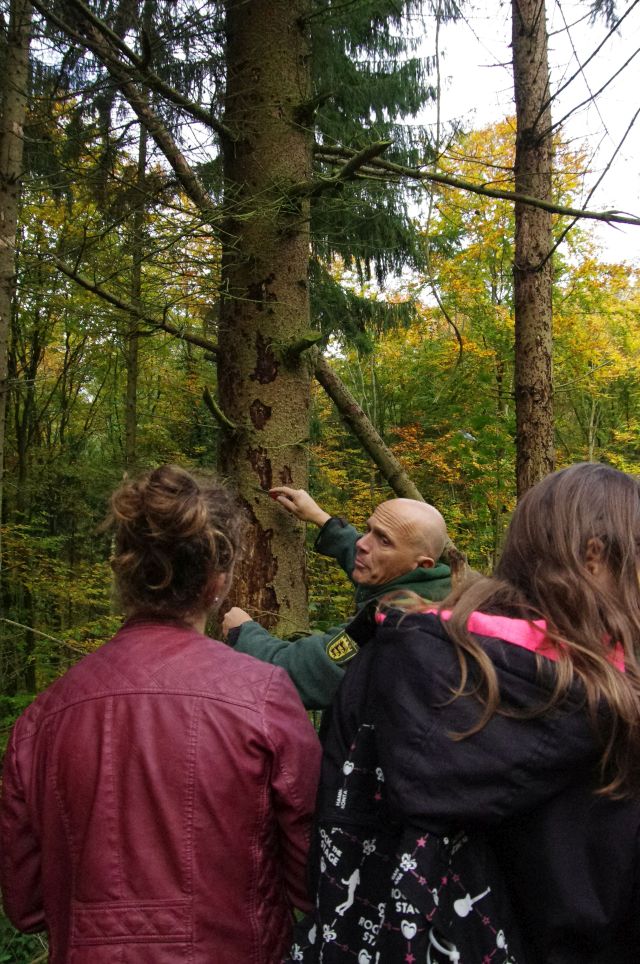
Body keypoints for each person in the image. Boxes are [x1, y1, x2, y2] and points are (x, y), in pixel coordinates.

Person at [289, 463, 640, 963]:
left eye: (380, 537)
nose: (365, 544)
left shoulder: (389, 653)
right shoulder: (616, 707)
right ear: (594, 558)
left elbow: (337, 824)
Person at [1, 466, 321, 964]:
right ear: (218, 580)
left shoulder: (44, 717)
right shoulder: (262, 695)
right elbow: (311, 875)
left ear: (123, 572)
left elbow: (25, 904)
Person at [223, 487, 452, 709]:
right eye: (369, 530)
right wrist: (321, 519)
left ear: (422, 564)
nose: (362, 543)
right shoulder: (436, 586)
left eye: (384, 540)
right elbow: (373, 566)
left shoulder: (395, 624)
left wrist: (243, 633)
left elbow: (299, 673)